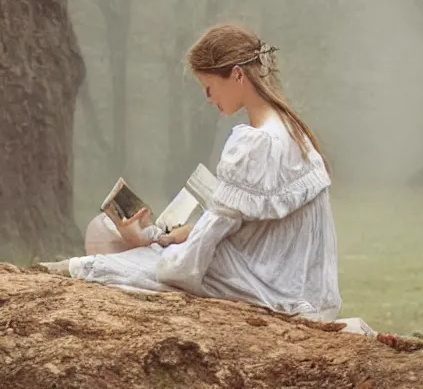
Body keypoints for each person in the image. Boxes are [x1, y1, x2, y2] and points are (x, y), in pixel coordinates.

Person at [42, 23, 341, 320]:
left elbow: (199, 251)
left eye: (208, 88)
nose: (209, 99)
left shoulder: (256, 143)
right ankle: (85, 264)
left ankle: (75, 269)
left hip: (273, 291)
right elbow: (243, 225)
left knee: (146, 261)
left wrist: (163, 256)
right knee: (161, 247)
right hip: (304, 289)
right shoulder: (292, 131)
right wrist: (180, 236)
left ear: (237, 75)